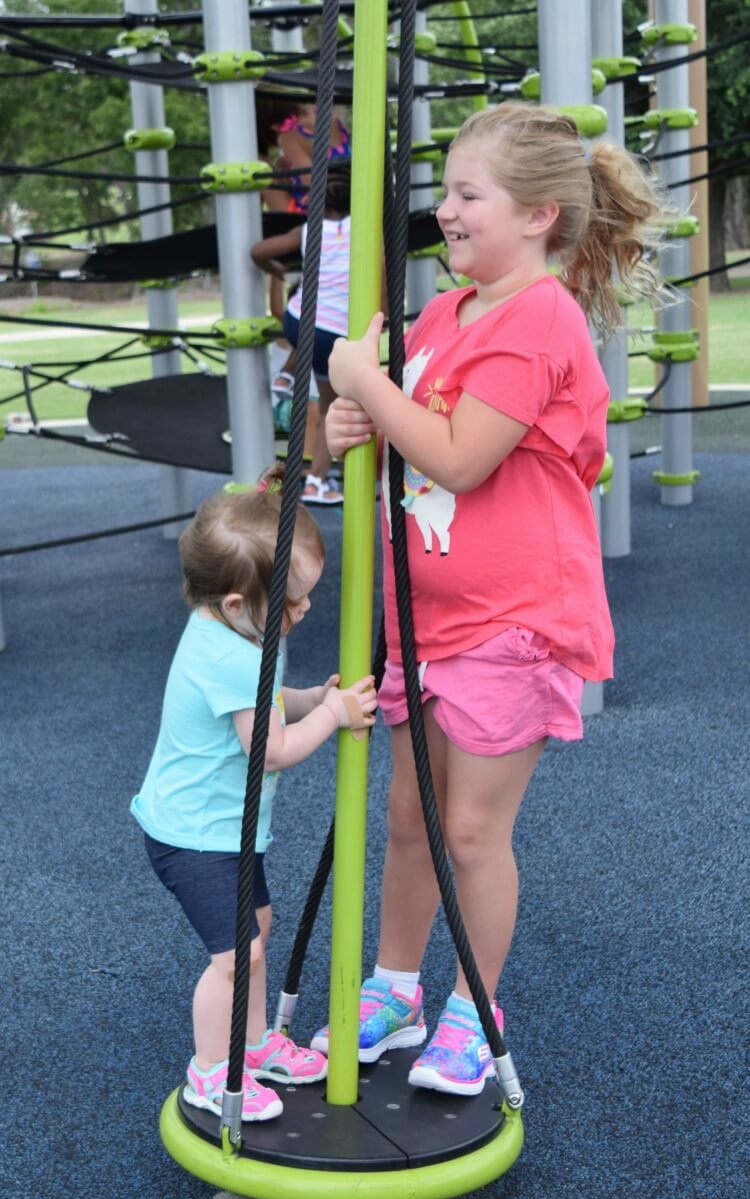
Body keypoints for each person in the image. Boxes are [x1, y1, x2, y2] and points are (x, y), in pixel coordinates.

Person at [315, 102, 667, 1096]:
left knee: (470, 828)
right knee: (410, 817)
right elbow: (374, 434)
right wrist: (342, 418)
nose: (448, 210)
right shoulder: (440, 315)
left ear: (540, 216)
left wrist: (363, 381)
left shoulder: (539, 317)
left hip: (516, 618)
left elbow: (462, 460)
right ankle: (395, 986)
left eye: (470, 195)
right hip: (423, 622)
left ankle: (474, 1004)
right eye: (449, 191)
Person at [131, 465, 376, 1123]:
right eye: (293, 602)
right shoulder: (233, 654)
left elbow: (269, 705)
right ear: (238, 603)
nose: (305, 611)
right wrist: (335, 717)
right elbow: (270, 749)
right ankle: (210, 1074)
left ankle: (257, 1042)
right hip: (193, 837)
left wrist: (315, 698)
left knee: (258, 933)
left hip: (226, 829)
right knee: (239, 957)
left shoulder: (237, 633)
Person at [251, 169, 352, 506]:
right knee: (331, 408)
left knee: (308, 335)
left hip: (298, 320)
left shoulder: (308, 231)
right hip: (330, 331)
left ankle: (286, 374)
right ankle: (317, 482)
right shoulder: (365, 233)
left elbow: (259, 251)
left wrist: (276, 271)